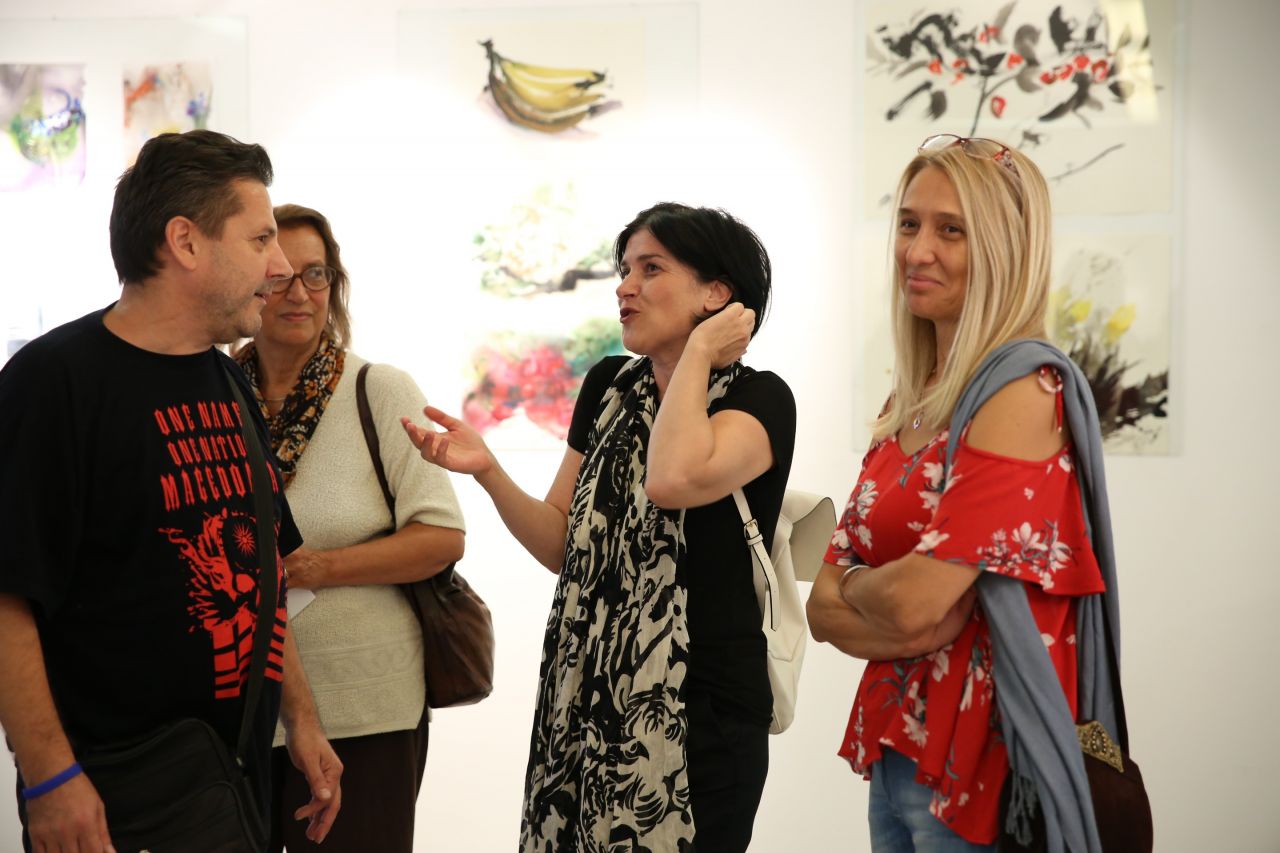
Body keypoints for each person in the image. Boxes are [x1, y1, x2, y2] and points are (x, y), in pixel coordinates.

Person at [403, 202, 795, 852]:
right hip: (585, 699)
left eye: (651, 268)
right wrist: (489, 471)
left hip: (700, 716)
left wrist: (699, 351)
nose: (625, 286)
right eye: (624, 270)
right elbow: (562, 544)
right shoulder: (609, 386)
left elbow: (672, 477)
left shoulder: (761, 399)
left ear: (716, 293)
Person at [0, 130, 343, 852]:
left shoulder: (228, 382)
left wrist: (302, 719)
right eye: (260, 239)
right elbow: (7, 595)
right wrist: (49, 776)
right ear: (185, 242)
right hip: (118, 794)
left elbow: (264, 570)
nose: (281, 267)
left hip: (230, 783)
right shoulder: (54, 383)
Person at [807, 133, 1124, 851]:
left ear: (1006, 249)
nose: (917, 250)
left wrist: (863, 590)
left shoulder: (1021, 391)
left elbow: (914, 605)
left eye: (951, 230)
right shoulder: (914, 398)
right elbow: (822, 604)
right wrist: (864, 592)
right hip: (897, 750)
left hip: (984, 769)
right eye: (909, 223)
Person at [231, 203, 465, 852]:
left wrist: (316, 567)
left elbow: (442, 537)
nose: (299, 293)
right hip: (241, 710)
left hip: (366, 710)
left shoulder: (378, 389)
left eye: (316, 274)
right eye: (280, 276)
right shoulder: (216, 396)